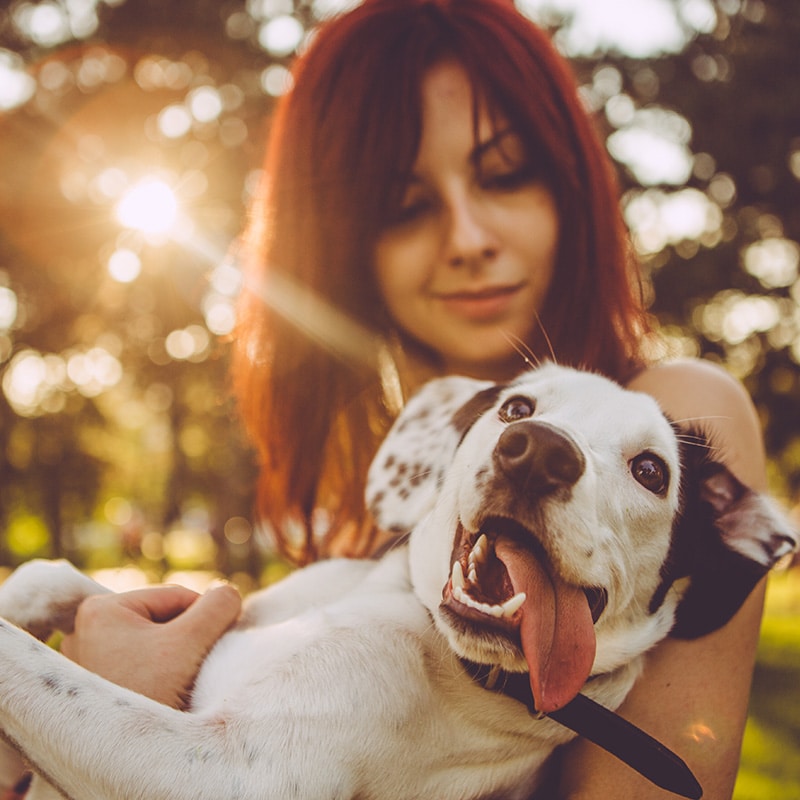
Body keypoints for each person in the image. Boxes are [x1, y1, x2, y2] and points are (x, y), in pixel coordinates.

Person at [16, 1, 768, 798]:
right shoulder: (389, 498)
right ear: (341, 242)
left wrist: (113, 712)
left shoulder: (680, 420)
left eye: (505, 173)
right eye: (406, 204)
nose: (469, 236)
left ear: (569, 183)